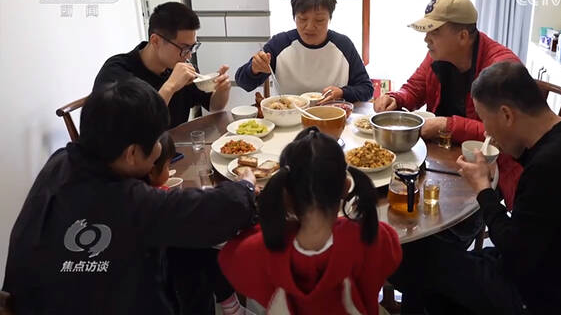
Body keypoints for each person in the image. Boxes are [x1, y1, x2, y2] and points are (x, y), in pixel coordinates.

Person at [2, 78, 257, 315]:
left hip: (31, 302)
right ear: (132, 154)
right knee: (191, 257)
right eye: (157, 140)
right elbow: (214, 210)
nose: (159, 149)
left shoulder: (58, 162)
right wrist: (245, 186)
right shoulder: (131, 202)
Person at [391, 62, 561, 314]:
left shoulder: (548, 168)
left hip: (534, 296)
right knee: (428, 263)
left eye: (486, 121)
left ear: (507, 115)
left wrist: (483, 190)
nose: (486, 131)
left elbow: (514, 254)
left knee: (405, 257)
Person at [219, 127, 402, 314]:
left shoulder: (260, 248)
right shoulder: (375, 236)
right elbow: (392, 254)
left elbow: (228, 257)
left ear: (285, 194)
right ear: (346, 186)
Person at [373, 0, 523, 211]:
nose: (426, 39)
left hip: (485, 167)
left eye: (433, 32)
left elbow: (508, 134)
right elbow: (416, 87)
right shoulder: (439, 53)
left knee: (437, 221)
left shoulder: (501, 69)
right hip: (441, 158)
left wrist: (447, 125)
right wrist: (395, 99)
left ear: (463, 36)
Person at [143, 132, 245, 315]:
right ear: (151, 171)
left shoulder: (141, 192)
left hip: (169, 262)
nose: (169, 170)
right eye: (167, 165)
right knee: (203, 251)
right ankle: (230, 304)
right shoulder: (151, 201)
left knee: (205, 249)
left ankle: (230, 304)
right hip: (170, 271)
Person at [94, 1, 231, 128]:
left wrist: (221, 90)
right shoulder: (117, 72)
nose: (189, 55)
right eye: (184, 48)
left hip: (172, 147)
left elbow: (213, 106)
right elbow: (136, 130)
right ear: (155, 41)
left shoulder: (181, 65)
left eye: (192, 47)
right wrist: (170, 86)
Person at [235, 0, 373, 104]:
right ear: (294, 17)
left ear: (329, 18)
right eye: (302, 19)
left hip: (332, 117)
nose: (310, 27)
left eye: (319, 20)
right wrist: (254, 69)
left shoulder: (343, 45)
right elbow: (244, 83)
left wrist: (342, 92)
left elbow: (367, 89)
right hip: (289, 117)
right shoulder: (280, 43)